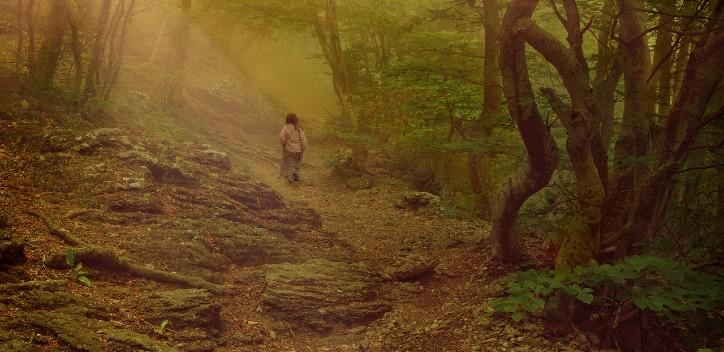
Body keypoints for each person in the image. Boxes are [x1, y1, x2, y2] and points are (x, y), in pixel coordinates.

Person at [279, 113, 307, 183]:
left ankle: (291, 177)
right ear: (295, 120)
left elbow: (281, 137)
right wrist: (304, 147)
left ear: (287, 119)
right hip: (299, 150)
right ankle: (297, 176)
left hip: (289, 149)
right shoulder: (299, 128)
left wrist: (284, 143)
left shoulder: (286, 127)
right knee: (297, 163)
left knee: (290, 163)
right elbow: (303, 139)